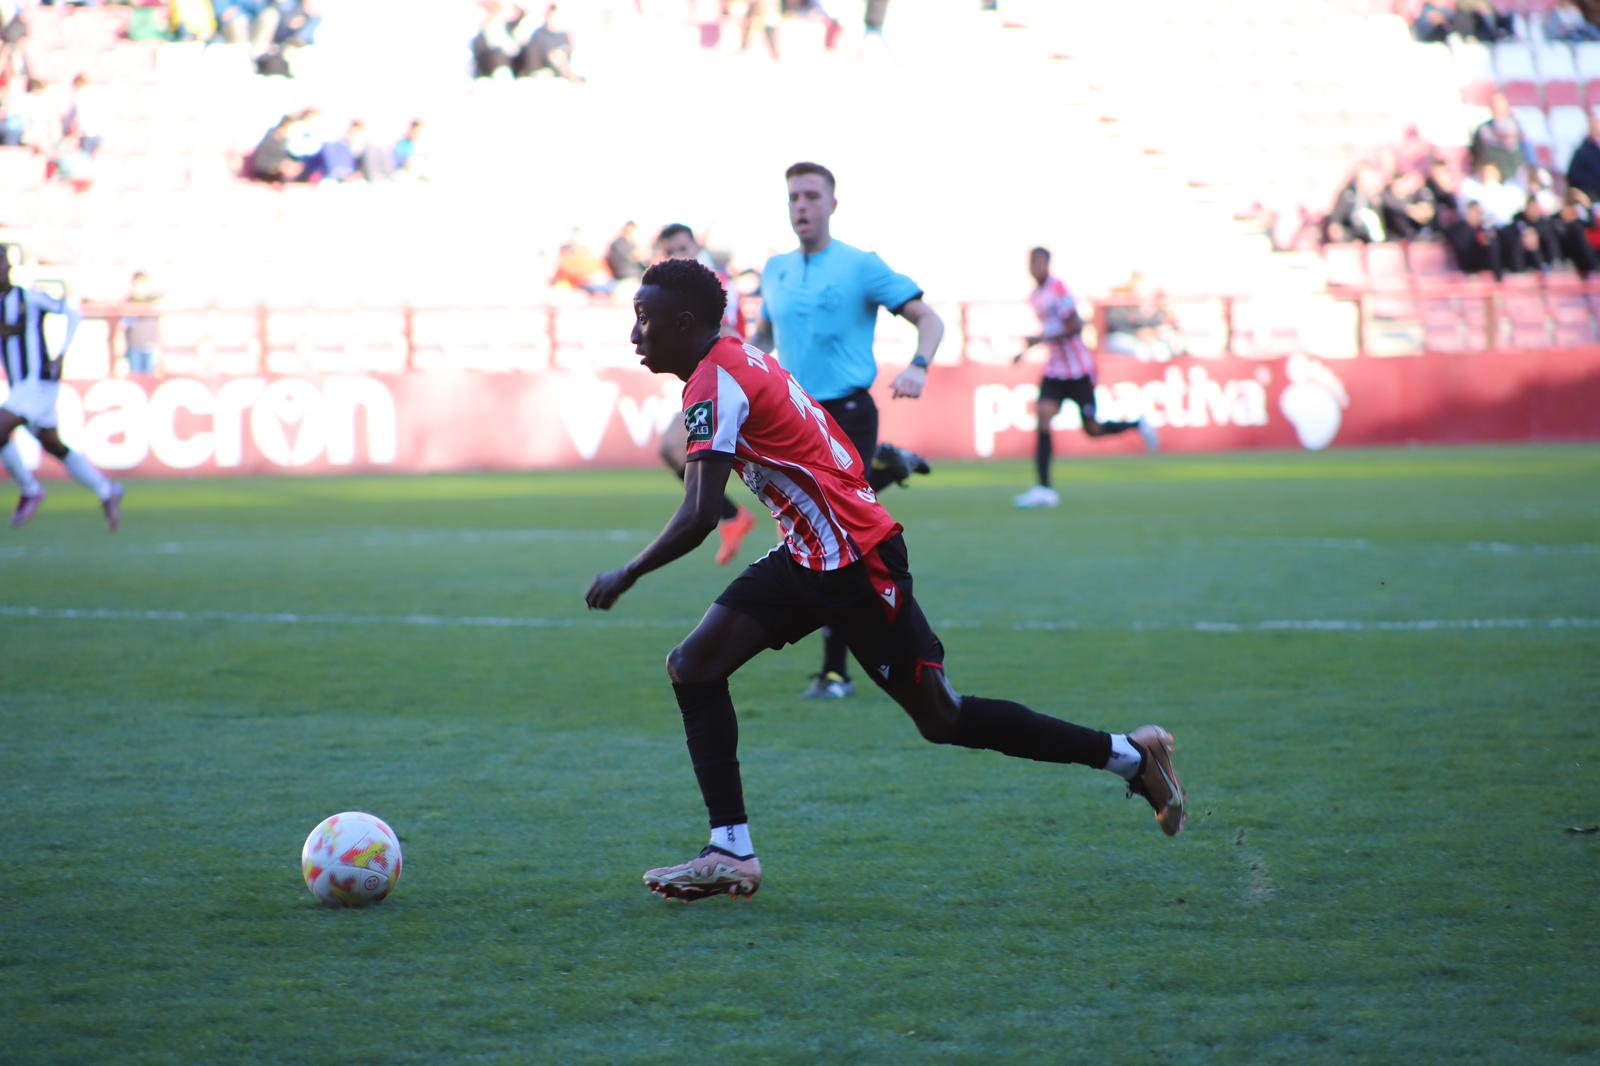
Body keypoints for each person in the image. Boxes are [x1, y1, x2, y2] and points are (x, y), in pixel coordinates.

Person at [584, 259, 1186, 902]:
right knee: (694, 665)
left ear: (684, 323)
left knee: (943, 717)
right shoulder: (736, 359)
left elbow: (702, 513)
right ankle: (731, 849)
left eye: (643, 320)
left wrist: (629, 571)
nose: (635, 335)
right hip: (813, 554)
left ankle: (1129, 754)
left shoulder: (716, 381)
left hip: (854, 561)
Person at [750, 161, 943, 699]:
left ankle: (835, 672)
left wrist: (918, 365)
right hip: (794, 418)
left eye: (812, 195)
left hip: (850, 414)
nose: (801, 206)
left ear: (834, 204)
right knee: (816, 535)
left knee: (837, 541)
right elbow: (761, 339)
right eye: (793, 197)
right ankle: (884, 464)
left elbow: (929, 318)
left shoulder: (861, 266)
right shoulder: (775, 271)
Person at [1012, 247, 1158, 510]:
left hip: (1078, 369)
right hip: (1056, 369)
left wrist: (1040, 340)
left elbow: (1075, 326)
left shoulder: (1058, 289)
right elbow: (1050, 330)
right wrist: (1027, 348)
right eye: (1031, 261)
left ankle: (1137, 423)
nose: (1034, 266)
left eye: (1039, 261)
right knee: (1043, 414)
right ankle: (1044, 488)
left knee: (1092, 429)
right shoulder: (1035, 296)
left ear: (1048, 263)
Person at [653, 222, 755, 566]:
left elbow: (725, 332)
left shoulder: (716, 284)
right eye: (671, 251)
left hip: (729, 381)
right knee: (675, 451)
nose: (678, 256)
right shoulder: (676, 294)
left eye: (683, 248)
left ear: (696, 247)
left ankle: (726, 518)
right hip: (707, 382)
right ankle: (729, 517)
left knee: (679, 449)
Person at [0, 255, 123, 530]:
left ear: (8, 267)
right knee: (54, 445)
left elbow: (72, 313)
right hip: (20, 387)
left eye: (2, 263)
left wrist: (61, 354)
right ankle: (107, 490)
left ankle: (30, 489)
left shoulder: (29, 298)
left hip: (39, 383)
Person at [114, 270, 161, 377]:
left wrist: (159, 347)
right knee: (135, 377)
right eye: (137, 284)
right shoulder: (128, 302)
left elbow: (160, 324)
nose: (140, 287)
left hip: (150, 346)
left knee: (149, 379)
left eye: (143, 284)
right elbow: (122, 326)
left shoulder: (153, 302)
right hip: (134, 347)